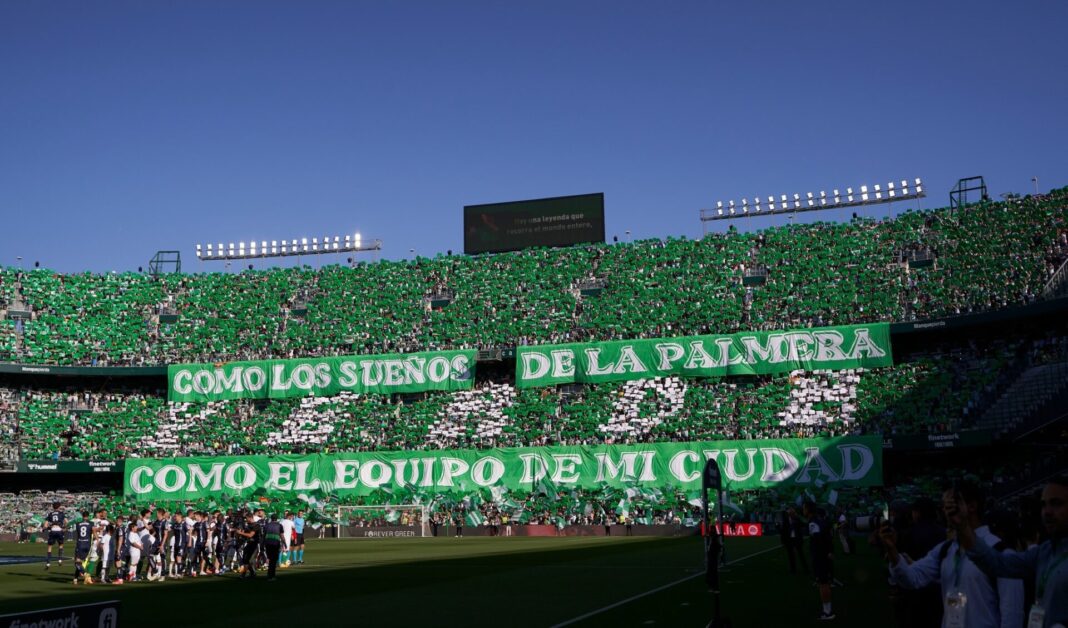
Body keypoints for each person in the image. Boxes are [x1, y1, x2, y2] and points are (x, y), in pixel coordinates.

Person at [881, 482, 1025, 628]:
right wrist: (892, 551)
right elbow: (912, 578)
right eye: (944, 506)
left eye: (951, 505)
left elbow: (1012, 616)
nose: (946, 512)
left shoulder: (1002, 553)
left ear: (972, 506)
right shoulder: (945, 549)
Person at [951, 476, 1068, 628]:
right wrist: (963, 526)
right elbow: (997, 564)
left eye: (1056, 503)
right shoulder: (1044, 552)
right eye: (1044, 505)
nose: (1047, 512)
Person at [804, 501, 835, 621]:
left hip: (820, 557)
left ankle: (828, 612)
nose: (803, 510)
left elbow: (818, 540)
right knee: (824, 582)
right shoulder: (819, 520)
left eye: (804, 508)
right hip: (824, 556)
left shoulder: (813, 523)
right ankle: (827, 609)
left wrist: (824, 553)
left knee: (823, 584)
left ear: (808, 509)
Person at [780, 508, 809, 575]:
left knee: (801, 554)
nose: (793, 514)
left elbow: (804, 524)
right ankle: (793, 569)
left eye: (793, 513)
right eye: (791, 513)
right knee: (791, 555)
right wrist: (783, 541)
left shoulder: (797, 519)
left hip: (797, 539)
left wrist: (800, 518)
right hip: (789, 540)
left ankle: (806, 568)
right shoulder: (786, 521)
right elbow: (783, 532)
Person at [44, 501, 66, 570]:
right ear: (59, 507)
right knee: (61, 545)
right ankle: (60, 560)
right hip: (59, 530)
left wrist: (47, 528)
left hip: (53, 530)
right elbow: (66, 522)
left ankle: (48, 563)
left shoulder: (50, 514)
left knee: (50, 547)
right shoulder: (61, 513)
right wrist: (64, 528)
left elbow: (45, 525)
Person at [73, 512, 93, 585]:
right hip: (88, 545)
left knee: (77, 563)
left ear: (82, 516)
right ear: (88, 516)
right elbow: (92, 532)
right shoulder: (91, 523)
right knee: (80, 563)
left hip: (80, 544)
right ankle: (75, 578)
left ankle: (86, 575)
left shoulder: (78, 524)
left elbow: (78, 534)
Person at [262, 513, 284, 581]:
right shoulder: (280, 525)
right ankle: (272, 576)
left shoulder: (266, 525)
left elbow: (264, 535)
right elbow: (282, 536)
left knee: (270, 559)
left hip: (268, 543)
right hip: (275, 544)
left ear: (271, 518)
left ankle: (269, 575)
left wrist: (262, 544)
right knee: (273, 560)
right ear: (276, 518)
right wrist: (284, 543)